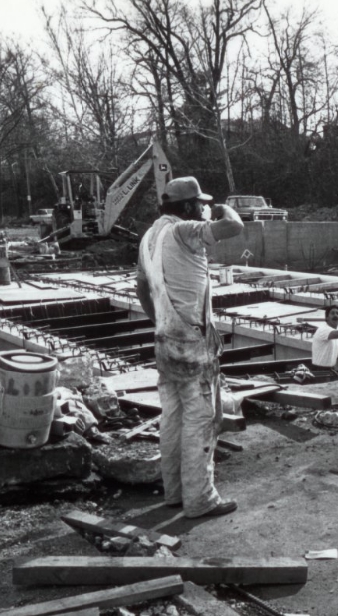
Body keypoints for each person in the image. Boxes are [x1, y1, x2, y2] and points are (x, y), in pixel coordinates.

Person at [136, 176, 244, 518]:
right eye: (199, 204)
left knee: (172, 417)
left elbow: (142, 289)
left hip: (165, 339)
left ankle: (175, 494)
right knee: (201, 418)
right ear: (186, 207)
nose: (202, 209)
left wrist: (163, 322)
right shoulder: (184, 231)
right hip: (192, 343)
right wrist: (222, 205)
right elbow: (233, 226)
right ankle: (200, 500)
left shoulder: (149, 237)